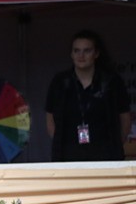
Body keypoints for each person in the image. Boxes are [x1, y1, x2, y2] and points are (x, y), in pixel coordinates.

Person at [45, 29, 131, 162]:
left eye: (87, 50)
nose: (81, 55)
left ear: (96, 53)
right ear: (71, 54)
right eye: (76, 50)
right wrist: (58, 142)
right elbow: (50, 116)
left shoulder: (111, 81)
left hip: (105, 154)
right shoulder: (60, 82)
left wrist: (115, 146)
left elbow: (125, 117)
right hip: (68, 154)